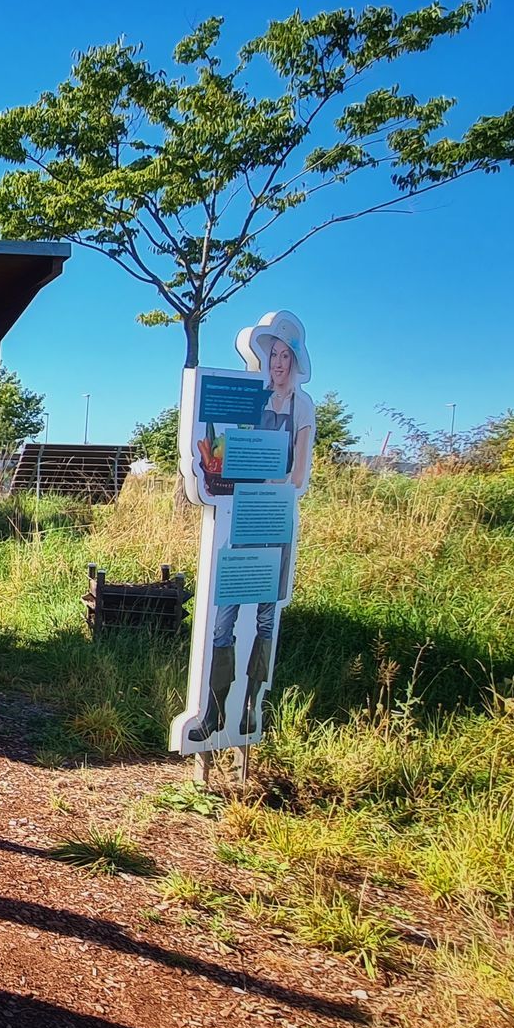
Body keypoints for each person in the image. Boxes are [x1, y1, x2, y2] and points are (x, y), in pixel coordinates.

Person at [192, 313, 314, 741]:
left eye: (284, 355)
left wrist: (265, 477)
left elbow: (298, 475)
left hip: (274, 520)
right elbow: (228, 450)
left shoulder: (303, 407)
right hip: (244, 518)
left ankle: (249, 708)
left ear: (296, 361)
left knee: (265, 621)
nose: (277, 363)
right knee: (223, 620)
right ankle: (213, 710)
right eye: (273, 355)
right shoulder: (255, 401)